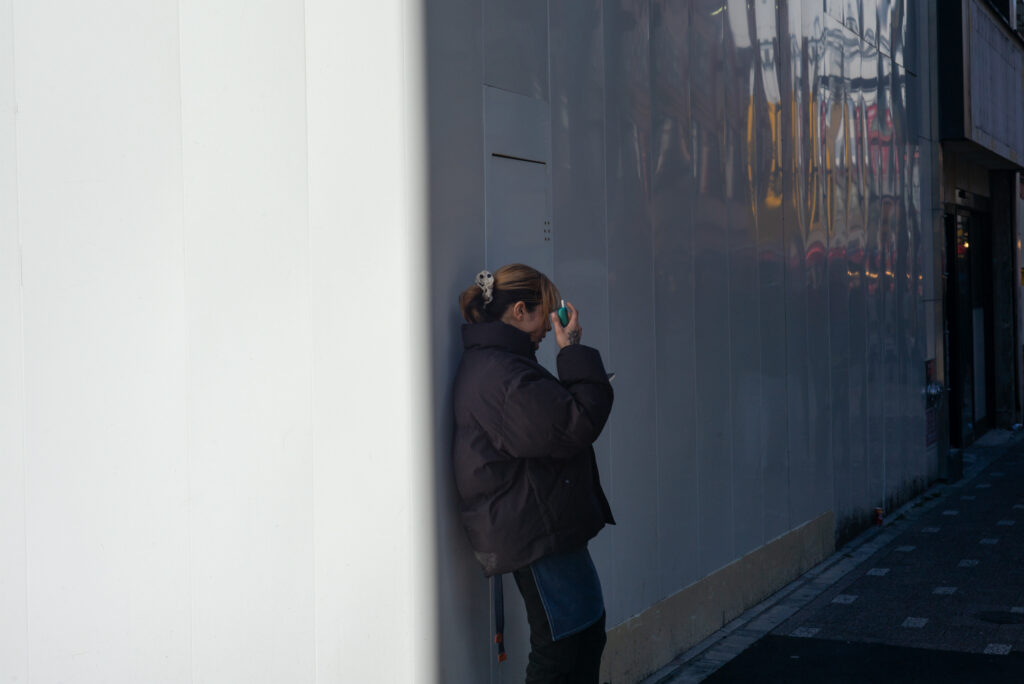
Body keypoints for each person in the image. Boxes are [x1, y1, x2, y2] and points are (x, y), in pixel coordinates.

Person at [452, 263, 615, 683]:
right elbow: (574, 423)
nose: (549, 325)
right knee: (562, 650)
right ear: (520, 311)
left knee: (581, 638)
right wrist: (572, 349)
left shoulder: (502, 366)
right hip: (536, 528)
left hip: (542, 522)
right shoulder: (501, 376)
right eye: (547, 311)